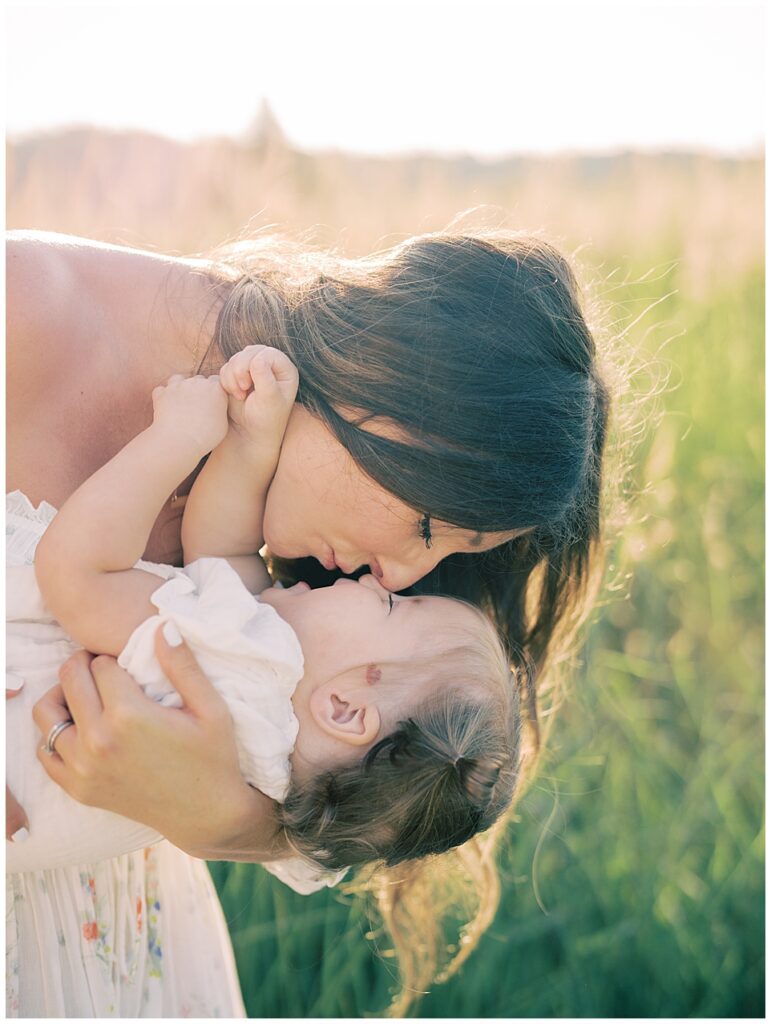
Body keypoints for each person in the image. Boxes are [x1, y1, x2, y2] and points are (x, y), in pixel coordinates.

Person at [7, 224, 611, 1013]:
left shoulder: (277, 634)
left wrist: (235, 819)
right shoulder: (20, 314)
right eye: (429, 526)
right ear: (387, 375)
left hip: (104, 946)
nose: (394, 574)